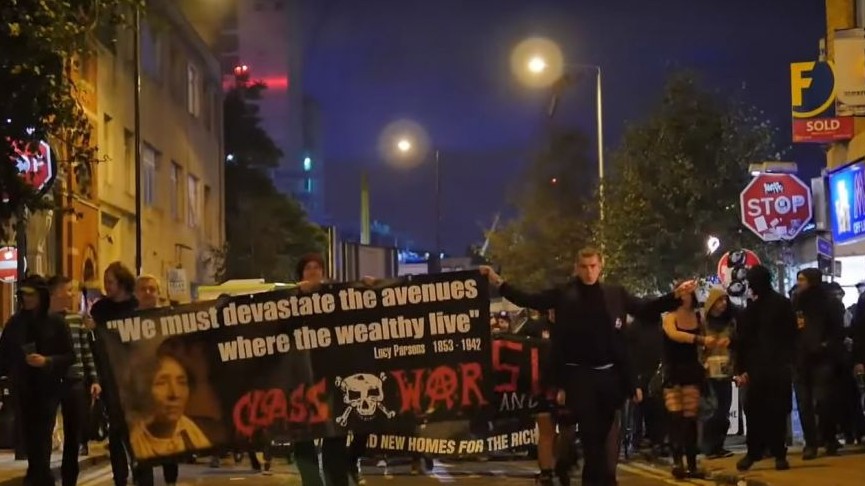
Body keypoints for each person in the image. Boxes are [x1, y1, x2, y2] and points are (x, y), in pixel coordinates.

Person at [479, 247, 694, 486]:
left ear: (600, 267)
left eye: (593, 266)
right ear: (576, 268)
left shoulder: (614, 294)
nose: (589, 271)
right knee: (591, 436)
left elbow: (645, 308)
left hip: (610, 375)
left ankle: (601, 478)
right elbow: (528, 299)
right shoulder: (564, 294)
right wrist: (497, 282)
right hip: (579, 375)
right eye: (584, 267)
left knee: (606, 433)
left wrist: (674, 296)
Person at [0, 275, 75, 485]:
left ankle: (40, 478)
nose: (27, 299)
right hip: (22, 388)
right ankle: (38, 477)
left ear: (42, 296)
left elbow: (70, 356)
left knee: (42, 438)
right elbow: (4, 355)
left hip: (47, 389)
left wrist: (47, 361)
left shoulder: (56, 323)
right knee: (28, 440)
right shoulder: (15, 323)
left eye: (31, 295)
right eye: (23, 295)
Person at [291, 253, 350, 486]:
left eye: (317, 267)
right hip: (301, 380)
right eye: (308, 268)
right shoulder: (289, 300)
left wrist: (369, 288)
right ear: (301, 274)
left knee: (334, 435)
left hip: (331, 378)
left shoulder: (336, 296)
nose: (313, 271)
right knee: (303, 435)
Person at [734, 265, 796, 472]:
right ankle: (763, 453)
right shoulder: (754, 308)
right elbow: (742, 341)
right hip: (763, 368)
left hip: (771, 367)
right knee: (760, 411)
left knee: (769, 412)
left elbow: (791, 335)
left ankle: (772, 453)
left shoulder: (776, 305)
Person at [47, 275, 102, 486]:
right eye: (68, 290)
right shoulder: (45, 320)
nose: (72, 294)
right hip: (51, 382)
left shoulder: (76, 320)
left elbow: (86, 352)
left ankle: (69, 479)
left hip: (75, 382)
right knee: (45, 433)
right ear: (55, 293)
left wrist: (94, 379)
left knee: (73, 434)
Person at [660, 288, 720, 479]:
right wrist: (700, 339)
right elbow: (673, 334)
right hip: (673, 371)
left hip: (691, 371)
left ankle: (692, 463)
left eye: (688, 293)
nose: (685, 296)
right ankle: (678, 461)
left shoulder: (697, 316)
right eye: (681, 293)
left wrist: (707, 354)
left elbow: (707, 343)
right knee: (675, 418)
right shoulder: (669, 317)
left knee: (689, 419)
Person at [89, 262, 140, 486]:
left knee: (136, 431)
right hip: (109, 377)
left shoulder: (137, 308)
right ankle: (120, 477)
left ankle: (142, 474)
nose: (106, 286)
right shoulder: (100, 310)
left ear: (122, 283)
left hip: (134, 378)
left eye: (110, 282)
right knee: (115, 432)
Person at [791, 269, 844, 459]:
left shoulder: (829, 302)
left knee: (823, 402)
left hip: (823, 360)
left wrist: (824, 346)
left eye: (803, 279)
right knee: (804, 404)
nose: (799, 283)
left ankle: (829, 438)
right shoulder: (796, 302)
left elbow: (838, 331)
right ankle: (811, 443)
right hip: (801, 361)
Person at [701, 286, 737, 459]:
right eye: (720, 300)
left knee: (724, 409)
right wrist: (703, 361)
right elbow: (697, 346)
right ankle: (709, 447)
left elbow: (736, 344)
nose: (723, 304)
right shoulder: (703, 323)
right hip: (709, 373)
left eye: (725, 300)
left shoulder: (730, 322)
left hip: (725, 370)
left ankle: (719, 445)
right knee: (712, 410)